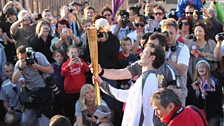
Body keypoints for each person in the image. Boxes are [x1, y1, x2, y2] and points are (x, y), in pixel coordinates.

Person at [94, 44, 165, 126]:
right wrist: (101, 83)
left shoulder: (148, 80)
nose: (140, 54)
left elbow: (143, 111)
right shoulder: (145, 78)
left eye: (144, 52)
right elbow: (125, 96)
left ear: (152, 58)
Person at [12, 45, 54, 126]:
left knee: (43, 123)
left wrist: (36, 66)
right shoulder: (18, 64)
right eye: (22, 58)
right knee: (25, 121)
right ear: (18, 57)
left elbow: (51, 70)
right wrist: (20, 68)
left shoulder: (37, 56)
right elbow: (14, 80)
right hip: (31, 94)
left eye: (26, 57)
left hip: (43, 91)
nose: (25, 60)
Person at [161, 18, 190, 106]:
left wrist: (165, 60)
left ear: (177, 32)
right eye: (166, 33)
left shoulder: (183, 48)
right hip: (160, 92)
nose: (169, 36)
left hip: (177, 93)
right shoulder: (158, 48)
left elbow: (181, 70)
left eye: (171, 33)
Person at [61, 45, 89, 123]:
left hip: (81, 92)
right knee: (71, 112)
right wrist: (69, 65)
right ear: (67, 54)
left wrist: (80, 63)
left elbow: (86, 70)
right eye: (72, 52)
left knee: (82, 111)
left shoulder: (81, 62)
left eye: (75, 52)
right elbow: (63, 73)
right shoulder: (65, 64)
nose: (74, 54)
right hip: (70, 93)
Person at [190, 60, 222, 126]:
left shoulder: (213, 81)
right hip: (201, 112)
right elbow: (193, 101)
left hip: (213, 112)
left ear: (207, 69)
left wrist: (206, 94)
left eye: (203, 67)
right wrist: (197, 92)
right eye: (199, 67)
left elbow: (218, 97)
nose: (201, 68)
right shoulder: (195, 83)